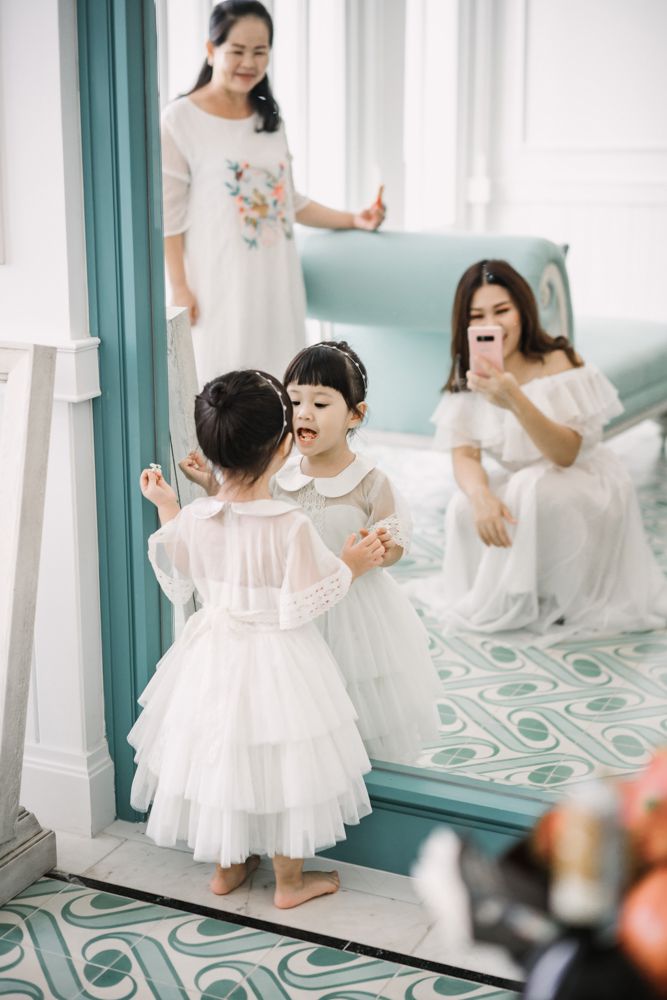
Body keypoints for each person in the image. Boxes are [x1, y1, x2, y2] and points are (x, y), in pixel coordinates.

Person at [130, 370, 386, 908]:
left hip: (211, 657)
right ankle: (289, 883)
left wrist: (167, 504)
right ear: (284, 444)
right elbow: (308, 597)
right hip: (276, 659)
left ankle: (228, 867)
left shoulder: (197, 515)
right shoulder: (288, 523)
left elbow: (181, 559)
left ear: (211, 446)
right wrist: (353, 564)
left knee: (224, 756)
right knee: (285, 766)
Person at [426, 258, 667, 643]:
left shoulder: (558, 360)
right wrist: (481, 496)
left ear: (523, 310)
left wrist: (514, 398)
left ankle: (558, 597)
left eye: (502, 310)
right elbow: (465, 454)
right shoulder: (471, 373)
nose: (492, 324)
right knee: (465, 504)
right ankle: (513, 597)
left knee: (533, 487)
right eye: (478, 316)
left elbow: (565, 454)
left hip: (585, 478)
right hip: (528, 478)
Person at [162, 0, 385, 386]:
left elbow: (289, 201)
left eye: (260, 51)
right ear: (211, 50)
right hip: (219, 285)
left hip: (277, 281)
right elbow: (169, 215)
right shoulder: (180, 119)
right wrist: (180, 286)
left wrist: (354, 219)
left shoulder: (269, 119)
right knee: (227, 390)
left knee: (282, 386)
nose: (249, 62)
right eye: (237, 50)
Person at [274, 341, 441, 764]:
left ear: (355, 414)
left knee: (354, 693)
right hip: (297, 606)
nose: (303, 413)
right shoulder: (279, 476)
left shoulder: (370, 481)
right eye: (294, 400)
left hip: (354, 614)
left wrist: (383, 548)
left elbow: (394, 537)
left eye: (320, 403)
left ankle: (361, 769)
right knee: (299, 702)